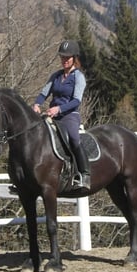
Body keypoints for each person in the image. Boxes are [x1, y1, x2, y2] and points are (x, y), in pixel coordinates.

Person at [32, 40, 90, 191]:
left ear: (74, 58)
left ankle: (84, 174)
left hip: (69, 115)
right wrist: (37, 104)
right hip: (52, 114)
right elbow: (44, 93)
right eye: (62, 57)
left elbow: (76, 101)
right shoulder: (56, 76)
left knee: (74, 138)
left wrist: (59, 109)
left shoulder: (78, 77)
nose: (64, 60)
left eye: (67, 57)